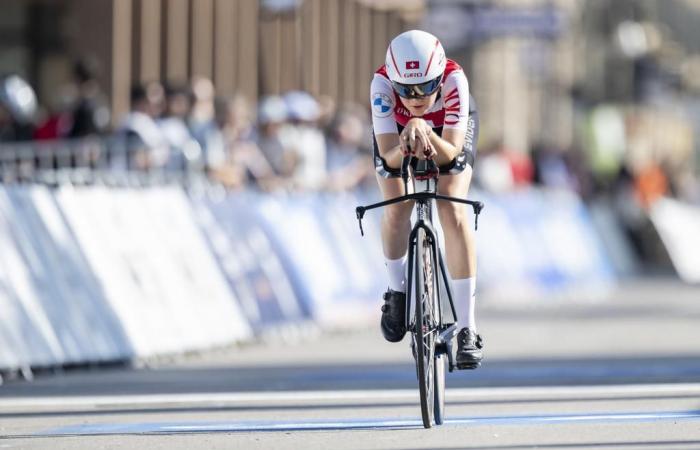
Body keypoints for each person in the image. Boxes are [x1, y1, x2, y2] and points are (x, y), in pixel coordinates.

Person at [370, 30, 482, 369]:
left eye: (425, 87)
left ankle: (467, 327)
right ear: (393, 80)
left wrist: (424, 126)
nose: (416, 96)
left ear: (439, 77)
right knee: (395, 204)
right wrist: (406, 138)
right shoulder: (381, 86)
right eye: (406, 89)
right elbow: (389, 158)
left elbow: (450, 156)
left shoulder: (454, 81)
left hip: (445, 134)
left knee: (452, 208)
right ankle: (397, 291)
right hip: (399, 135)